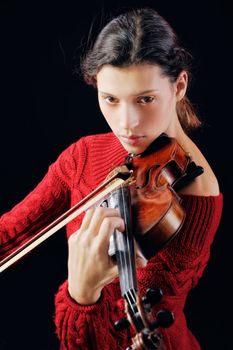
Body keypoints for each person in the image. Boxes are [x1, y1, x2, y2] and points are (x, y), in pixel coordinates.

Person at [0, 7, 223, 350]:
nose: (127, 124)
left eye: (145, 99)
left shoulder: (195, 196)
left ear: (179, 85)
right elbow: (12, 231)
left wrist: (82, 292)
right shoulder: (85, 153)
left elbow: (114, 339)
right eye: (111, 99)